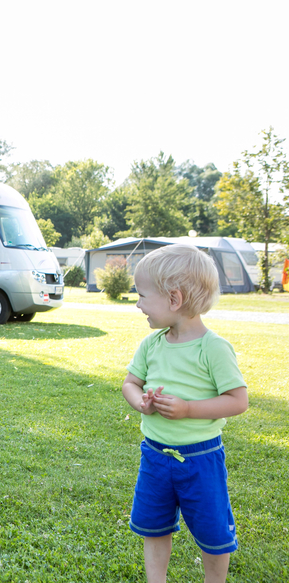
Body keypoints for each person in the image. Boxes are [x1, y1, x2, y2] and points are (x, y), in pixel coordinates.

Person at [121, 245, 248, 583]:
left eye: (143, 295)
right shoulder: (152, 344)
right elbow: (130, 383)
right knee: (154, 525)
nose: (138, 303)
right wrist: (140, 403)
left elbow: (238, 400)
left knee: (213, 533)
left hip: (200, 458)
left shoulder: (213, 348)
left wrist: (189, 409)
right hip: (155, 455)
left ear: (174, 299)